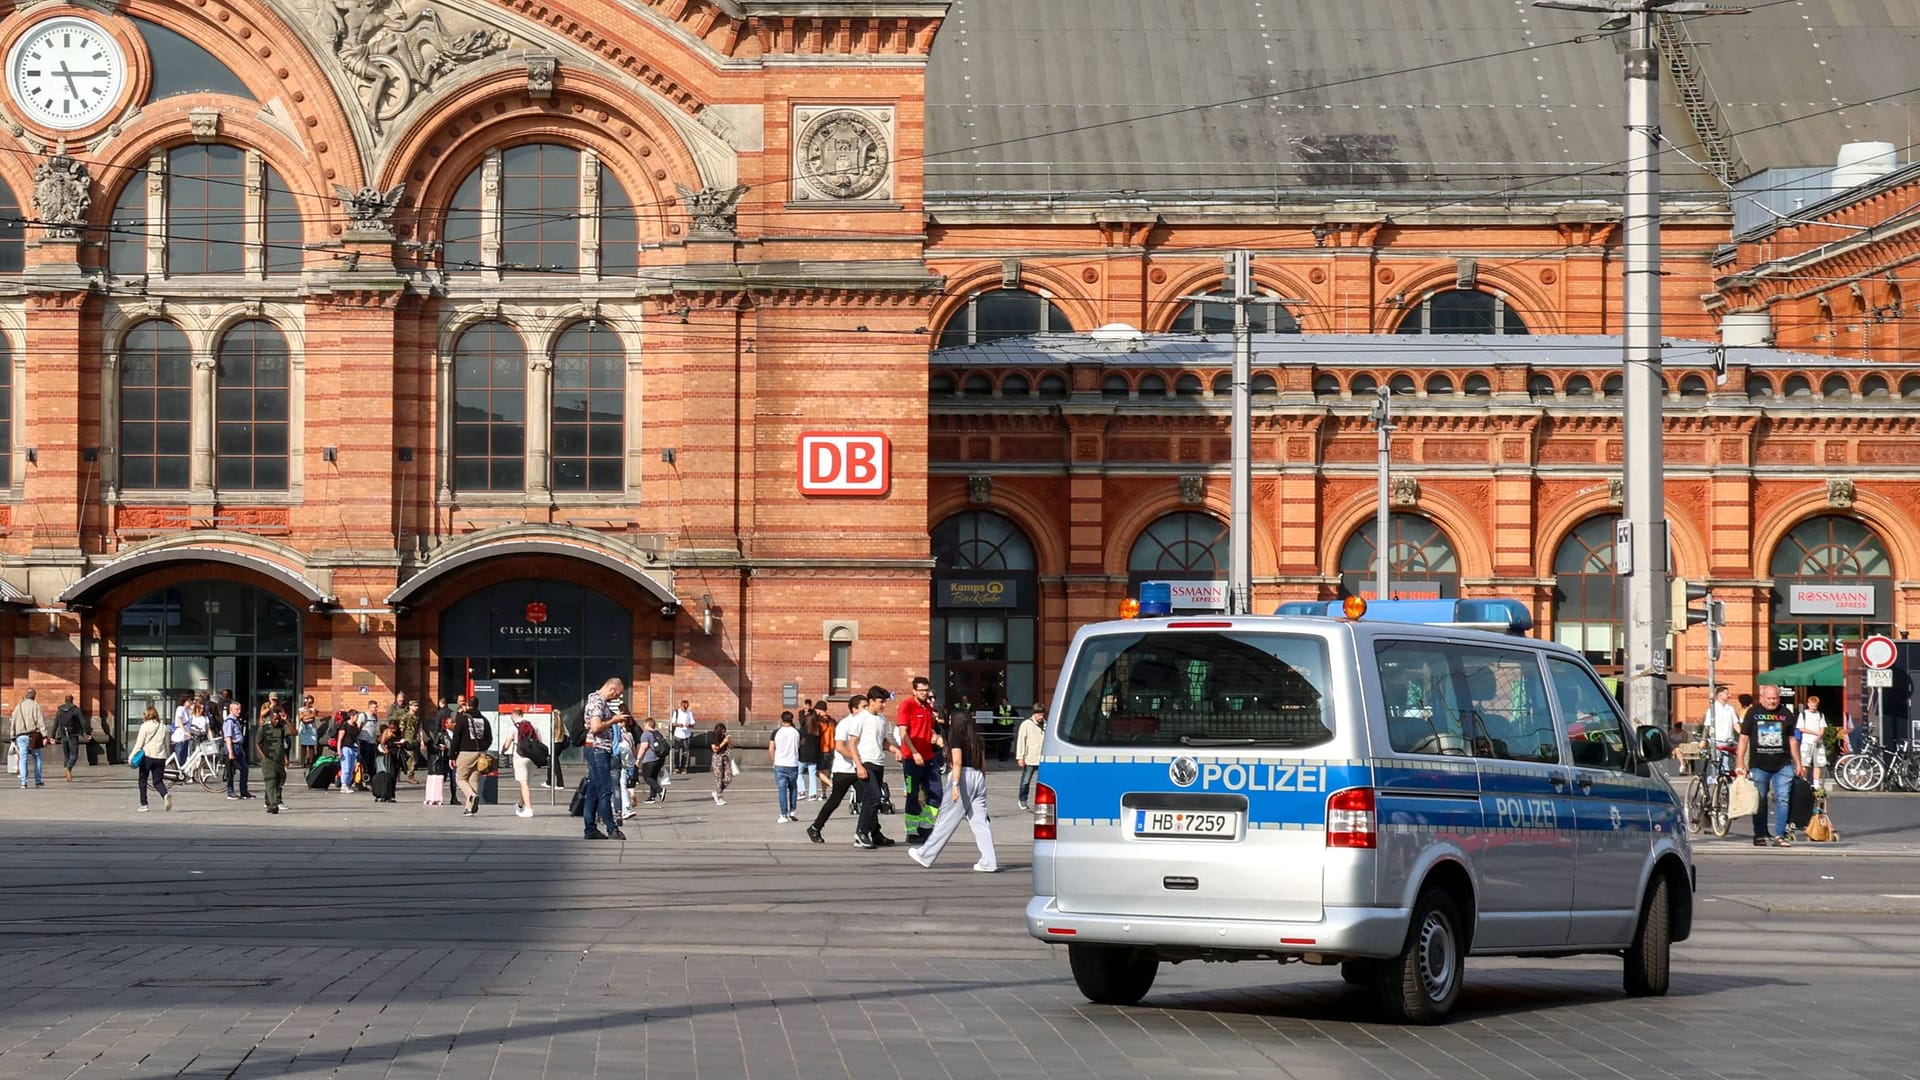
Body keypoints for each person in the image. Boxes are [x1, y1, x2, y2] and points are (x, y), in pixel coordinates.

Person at [908, 709, 998, 872]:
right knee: (980, 822)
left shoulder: (956, 736)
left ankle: (926, 854)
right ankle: (989, 861)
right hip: (978, 776)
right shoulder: (976, 738)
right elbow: (981, 761)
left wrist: (955, 785)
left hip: (962, 776)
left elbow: (957, 762)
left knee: (947, 818)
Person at [1736, 683, 1802, 848]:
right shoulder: (1753, 713)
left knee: (1783, 799)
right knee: (1760, 800)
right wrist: (1740, 761)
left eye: (1776, 698)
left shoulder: (1785, 713)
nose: (1773, 702)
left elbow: (1792, 740)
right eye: (1770, 698)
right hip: (1759, 765)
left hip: (1783, 764)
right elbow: (1743, 738)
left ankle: (1780, 836)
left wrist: (1798, 762)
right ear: (1763, 698)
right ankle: (1759, 834)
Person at [807, 694, 866, 844]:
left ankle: (874, 831)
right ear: (853, 709)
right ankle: (815, 827)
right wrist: (857, 760)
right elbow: (839, 747)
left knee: (869, 799)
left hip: (857, 768)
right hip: (844, 770)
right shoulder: (845, 724)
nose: (866, 710)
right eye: (863, 707)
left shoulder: (865, 722)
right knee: (834, 801)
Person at [851, 687, 900, 849]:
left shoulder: (882, 719)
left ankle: (876, 833)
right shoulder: (861, 718)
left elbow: (883, 741)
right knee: (873, 797)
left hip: (879, 763)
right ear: (871, 701)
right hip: (865, 762)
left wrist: (894, 750)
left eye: (884, 701)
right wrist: (858, 765)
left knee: (874, 799)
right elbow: (851, 743)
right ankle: (861, 832)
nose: (883, 705)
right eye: (881, 702)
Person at [580, 677, 627, 840]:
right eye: (617, 694)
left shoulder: (598, 701)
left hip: (598, 749)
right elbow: (595, 726)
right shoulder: (597, 701)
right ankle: (611, 828)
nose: (616, 698)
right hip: (597, 749)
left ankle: (590, 829)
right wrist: (614, 720)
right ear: (612, 689)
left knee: (593, 790)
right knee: (605, 789)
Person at [897, 677, 942, 843]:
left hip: (929, 758)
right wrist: (914, 753)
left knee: (936, 793)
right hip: (911, 760)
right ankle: (911, 831)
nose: (924, 694)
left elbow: (928, 727)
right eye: (921, 691)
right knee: (912, 795)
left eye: (926, 690)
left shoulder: (928, 708)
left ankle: (925, 827)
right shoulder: (907, 705)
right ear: (914, 691)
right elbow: (903, 733)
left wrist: (935, 737)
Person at [451, 699, 492, 816]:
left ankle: (471, 795)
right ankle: (469, 808)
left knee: (460, 778)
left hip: (465, 752)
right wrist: (483, 749)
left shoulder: (463, 719)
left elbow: (456, 738)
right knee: (474, 779)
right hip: (480, 753)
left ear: (468, 705)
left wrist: (452, 755)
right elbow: (489, 738)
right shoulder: (484, 719)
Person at [130, 707, 172, 812]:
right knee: (158, 781)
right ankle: (165, 795)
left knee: (143, 780)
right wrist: (167, 756)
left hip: (147, 756)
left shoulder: (144, 727)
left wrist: (131, 757)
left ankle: (144, 804)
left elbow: (139, 744)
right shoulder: (163, 727)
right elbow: (167, 745)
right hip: (160, 757)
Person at [257, 699, 292, 814]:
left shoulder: (282, 728)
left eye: (278, 719)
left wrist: (286, 720)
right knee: (271, 781)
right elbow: (257, 743)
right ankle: (273, 805)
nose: (276, 721)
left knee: (279, 780)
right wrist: (263, 757)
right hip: (268, 759)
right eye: (274, 718)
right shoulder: (264, 728)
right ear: (270, 717)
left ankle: (268, 800)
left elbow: (294, 732)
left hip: (279, 760)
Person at [10, 689, 47, 788]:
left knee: (23, 758)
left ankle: (23, 782)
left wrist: (12, 736)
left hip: (21, 736)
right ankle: (38, 781)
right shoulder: (36, 706)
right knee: (37, 757)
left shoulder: (18, 706)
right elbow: (40, 721)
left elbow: (13, 721)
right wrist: (45, 735)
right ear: (34, 696)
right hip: (33, 736)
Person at [770, 710, 801, 823]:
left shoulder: (776, 732)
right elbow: (801, 743)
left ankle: (783, 814)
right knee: (793, 787)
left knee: (782, 790)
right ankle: (793, 810)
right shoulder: (796, 732)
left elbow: (771, 748)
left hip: (780, 763)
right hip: (793, 763)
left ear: (781, 720)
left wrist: (773, 760)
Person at [1704, 685, 1739, 781]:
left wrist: (1743, 734)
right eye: (1727, 694)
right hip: (1718, 740)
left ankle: (1719, 781)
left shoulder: (1730, 708)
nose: (1729, 695)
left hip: (1729, 741)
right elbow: (1707, 725)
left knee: (1728, 763)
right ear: (1720, 695)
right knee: (1722, 763)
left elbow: (1735, 724)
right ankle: (1723, 783)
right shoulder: (1713, 709)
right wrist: (1703, 739)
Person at [505, 715, 537, 819]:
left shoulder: (513, 727)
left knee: (523, 783)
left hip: (520, 757)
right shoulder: (533, 726)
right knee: (525, 783)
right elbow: (539, 740)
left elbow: (508, 742)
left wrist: (503, 751)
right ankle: (520, 805)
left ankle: (529, 809)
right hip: (532, 756)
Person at [1015, 705, 1047, 810]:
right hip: (1030, 758)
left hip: (1042, 758)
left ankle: (1043, 801)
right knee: (1026, 780)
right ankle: (1022, 799)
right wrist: (1020, 757)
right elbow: (1021, 741)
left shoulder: (1046, 724)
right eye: (1039, 714)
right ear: (1034, 713)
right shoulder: (1026, 724)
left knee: (1044, 782)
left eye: (1042, 714)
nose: (1041, 716)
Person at [222, 701, 253, 800]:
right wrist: (230, 752)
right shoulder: (229, 721)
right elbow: (228, 737)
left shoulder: (236, 720)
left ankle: (244, 791)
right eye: (237, 709)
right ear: (231, 710)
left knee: (245, 769)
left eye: (240, 709)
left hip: (239, 747)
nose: (239, 711)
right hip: (232, 747)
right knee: (231, 771)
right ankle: (230, 791)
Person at [1797, 694, 1828, 788]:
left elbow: (1822, 727)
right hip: (1807, 742)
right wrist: (1814, 733)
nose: (1814, 707)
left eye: (1815, 706)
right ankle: (1804, 781)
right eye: (1812, 705)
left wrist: (1819, 736)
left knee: (1818, 764)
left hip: (1818, 743)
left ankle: (1816, 784)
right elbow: (1801, 728)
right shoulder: (1803, 714)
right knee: (1805, 763)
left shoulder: (1820, 715)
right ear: (1808, 704)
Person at [52, 695, 84, 780]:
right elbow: (83, 722)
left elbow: (55, 724)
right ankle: (69, 768)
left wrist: (52, 736)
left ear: (65, 700)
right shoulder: (76, 710)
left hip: (63, 735)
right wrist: (87, 733)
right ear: (72, 700)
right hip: (73, 735)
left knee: (66, 755)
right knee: (74, 755)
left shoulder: (60, 710)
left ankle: (67, 771)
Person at [638, 718, 668, 804]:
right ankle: (652, 797)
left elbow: (644, 747)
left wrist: (638, 759)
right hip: (659, 759)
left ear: (647, 725)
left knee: (646, 777)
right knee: (653, 777)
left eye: (644, 725)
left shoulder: (646, 734)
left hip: (650, 759)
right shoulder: (658, 733)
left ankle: (660, 790)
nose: (644, 727)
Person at [797, 706, 823, 801]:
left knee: (799, 772)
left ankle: (801, 791)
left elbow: (800, 742)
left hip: (803, 754)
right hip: (814, 754)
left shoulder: (803, 730)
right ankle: (813, 794)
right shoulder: (817, 730)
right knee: (812, 774)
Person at [336, 710, 361, 793]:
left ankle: (348, 785)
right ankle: (343, 785)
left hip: (354, 748)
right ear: (352, 716)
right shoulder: (345, 725)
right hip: (346, 747)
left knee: (351, 768)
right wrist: (339, 750)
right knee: (346, 767)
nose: (357, 718)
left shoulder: (355, 725)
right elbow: (340, 739)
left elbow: (356, 738)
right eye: (356, 716)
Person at [710, 722, 734, 805]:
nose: (724, 733)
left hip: (725, 757)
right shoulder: (714, 737)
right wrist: (724, 742)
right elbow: (715, 749)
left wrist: (729, 741)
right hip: (717, 758)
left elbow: (731, 748)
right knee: (719, 778)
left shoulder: (724, 737)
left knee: (728, 777)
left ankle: (717, 792)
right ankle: (719, 797)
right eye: (723, 731)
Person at [670, 699, 696, 772]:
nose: (685, 708)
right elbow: (673, 723)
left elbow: (693, 723)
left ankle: (683, 766)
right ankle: (677, 767)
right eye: (683, 707)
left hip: (686, 734)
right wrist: (678, 725)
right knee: (677, 751)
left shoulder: (689, 713)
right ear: (681, 706)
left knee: (685, 751)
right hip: (678, 733)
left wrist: (689, 725)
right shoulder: (676, 712)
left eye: (686, 707)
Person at [297, 696, 319, 768]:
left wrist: (305, 716)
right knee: (303, 746)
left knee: (311, 746)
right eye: (308, 702)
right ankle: (302, 762)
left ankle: (311, 762)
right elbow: (300, 718)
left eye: (311, 702)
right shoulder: (300, 709)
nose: (309, 704)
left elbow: (313, 716)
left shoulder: (313, 709)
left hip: (311, 729)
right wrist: (306, 716)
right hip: (304, 729)